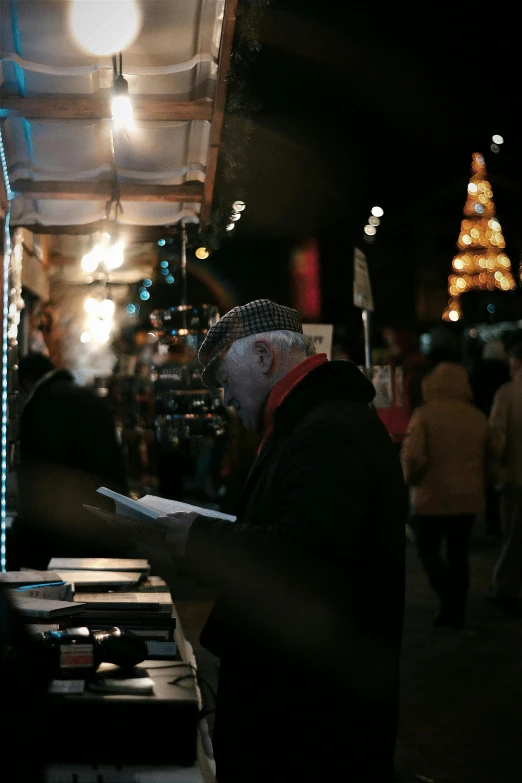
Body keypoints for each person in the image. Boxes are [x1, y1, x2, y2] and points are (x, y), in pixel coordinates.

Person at [115, 299, 407, 782]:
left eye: (227, 380)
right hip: (304, 693)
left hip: (313, 714)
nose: (226, 398)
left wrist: (200, 537)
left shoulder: (327, 429)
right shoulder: (312, 421)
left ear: (264, 357)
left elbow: (302, 557)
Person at [7, 352, 130, 570]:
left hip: (69, 522)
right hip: (104, 514)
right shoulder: (84, 397)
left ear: (26, 382)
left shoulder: (43, 403)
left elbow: (42, 472)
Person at [401, 362, 498, 630]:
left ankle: (448, 599)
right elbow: (494, 451)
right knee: (459, 554)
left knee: (428, 552)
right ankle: (457, 606)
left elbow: (413, 456)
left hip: (430, 498)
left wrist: (411, 481)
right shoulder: (476, 416)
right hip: (468, 498)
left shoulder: (424, 414)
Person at [487, 338, 522, 615]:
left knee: (512, 537)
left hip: (515, 477)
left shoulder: (508, 394)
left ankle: (505, 590)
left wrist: (494, 467)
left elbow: (497, 439)